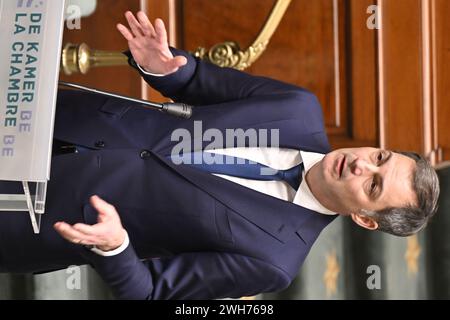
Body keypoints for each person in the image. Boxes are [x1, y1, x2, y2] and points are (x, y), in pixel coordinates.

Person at [0, 11, 440, 299]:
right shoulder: (298, 108)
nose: (362, 164)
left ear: (365, 219)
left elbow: (152, 292)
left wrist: (116, 248)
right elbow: (198, 84)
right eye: (380, 156)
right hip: (45, 116)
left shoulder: (273, 261)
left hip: (32, 218)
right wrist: (163, 64)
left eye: (374, 184)